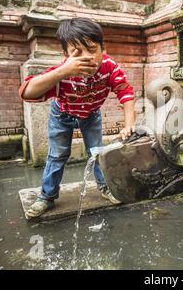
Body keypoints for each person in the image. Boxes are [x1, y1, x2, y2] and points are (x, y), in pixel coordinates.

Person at [19, 18, 136, 217]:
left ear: (103, 49)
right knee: (57, 156)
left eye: (91, 49)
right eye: (77, 52)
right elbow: (27, 92)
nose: (87, 57)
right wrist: (64, 71)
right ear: (66, 55)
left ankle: (105, 187)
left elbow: (126, 93)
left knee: (97, 153)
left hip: (91, 115)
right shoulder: (62, 72)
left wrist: (129, 124)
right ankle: (47, 196)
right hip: (62, 114)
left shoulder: (109, 67)